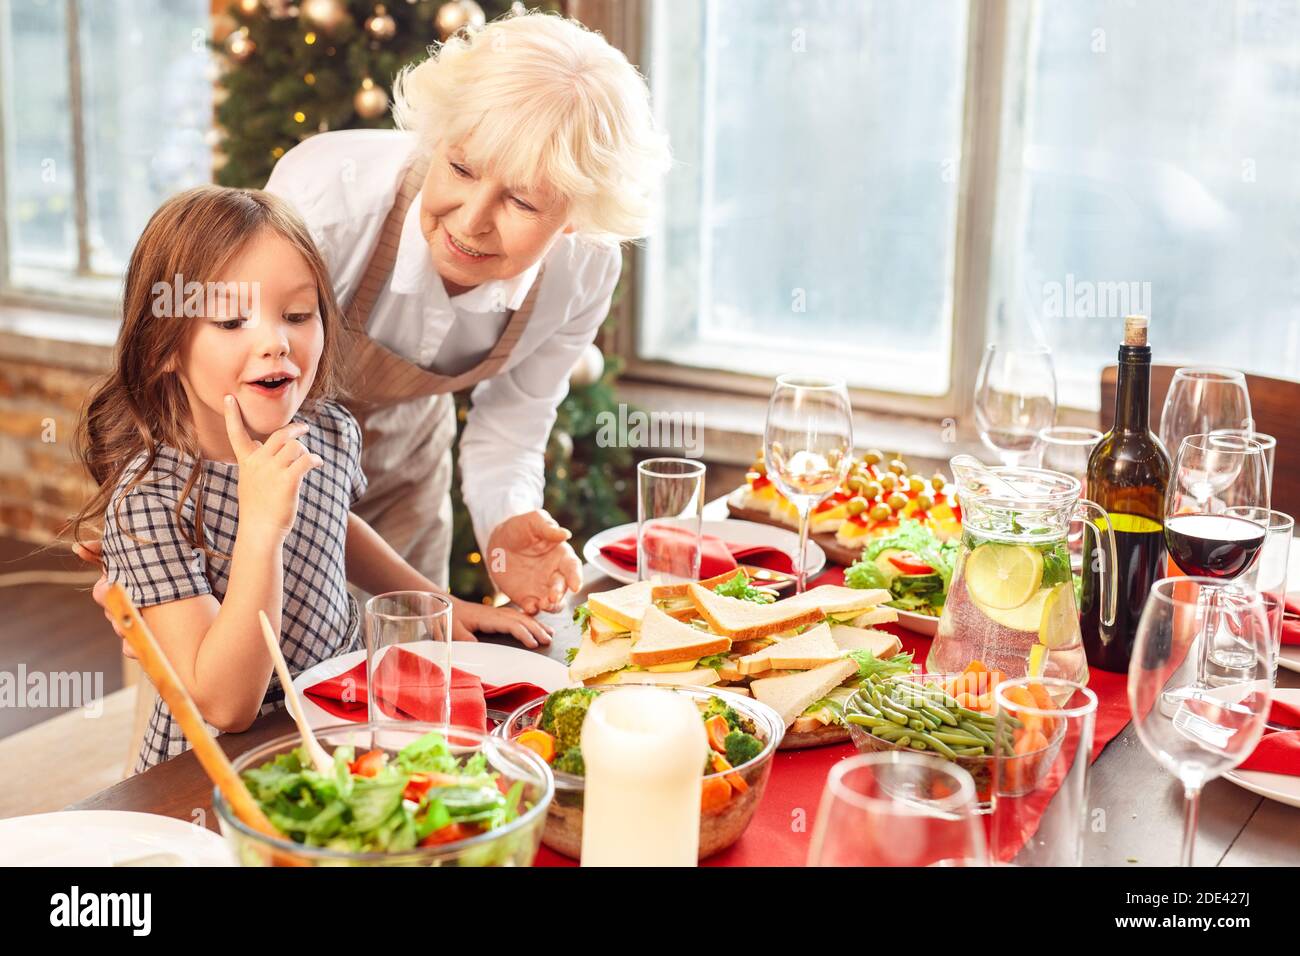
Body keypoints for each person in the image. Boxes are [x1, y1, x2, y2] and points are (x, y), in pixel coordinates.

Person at [70, 186, 550, 772]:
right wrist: (261, 526)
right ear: (162, 349)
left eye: (298, 315)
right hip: (227, 772)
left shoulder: (324, 429)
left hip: (339, 721)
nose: (276, 341)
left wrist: (441, 600)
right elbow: (227, 704)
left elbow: (331, 527)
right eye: (230, 319)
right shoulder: (148, 507)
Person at [259, 9, 672, 612]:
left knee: (400, 665)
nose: (471, 220)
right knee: (240, 688)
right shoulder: (326, 202)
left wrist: (509, 524)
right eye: (459, 168)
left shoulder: (583, 269)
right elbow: (215, 388)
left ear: (578, 217)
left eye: (523, 201)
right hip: (253, 452)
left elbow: (513, 421)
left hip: (407, 454)